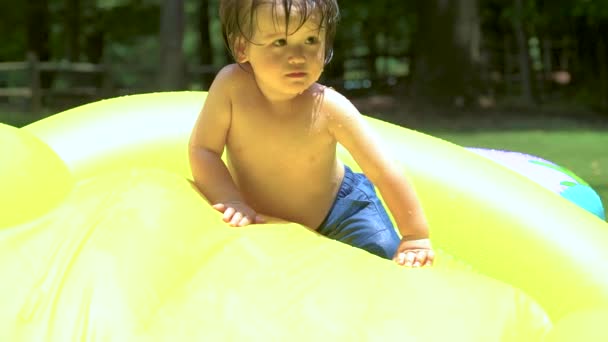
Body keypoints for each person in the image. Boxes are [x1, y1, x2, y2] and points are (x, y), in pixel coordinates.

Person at [189, 0, 434, 267]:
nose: (297, 55)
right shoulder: (231, 88)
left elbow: (383, 170)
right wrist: (231, 200)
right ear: (242, 47)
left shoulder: (329, 107)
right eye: (280, 42)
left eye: (310, 40)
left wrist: (415, 236)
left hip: (341, 212)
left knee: (382, 256)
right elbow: (204, 150)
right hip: (265, 219)